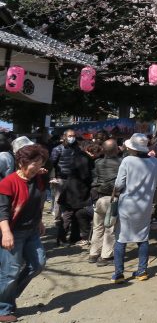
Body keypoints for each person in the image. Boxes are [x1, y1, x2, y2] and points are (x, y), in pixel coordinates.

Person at [0, 144, 49, 322]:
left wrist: (40, 221)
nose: (37, 166)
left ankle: (7, 295)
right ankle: (3, 309)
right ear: (22, 162)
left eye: (41, 162)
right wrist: (6, 233)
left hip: (32, 231)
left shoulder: (38, 179)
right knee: (10, 271)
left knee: (38, 264)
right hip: (13, 232)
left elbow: (37, 202)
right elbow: (2, 211)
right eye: (34, 162)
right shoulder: (8, 183)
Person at [112, 133, 157, 283]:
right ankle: (142, 271)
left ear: (133, 148)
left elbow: (118, 184)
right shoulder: (155, 162)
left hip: (127, 204)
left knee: (121, 238)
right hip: (145, 205)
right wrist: (149, 185)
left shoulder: (127, 161)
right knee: (142, 238)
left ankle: (118, 273)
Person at [89, 140, 121, 266]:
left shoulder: (97, 162)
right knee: (110, 228)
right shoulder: (122, 163)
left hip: (99, 197)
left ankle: (93, 253)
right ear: (116, 149)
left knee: (97, 227)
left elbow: (94, 178)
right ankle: (106, 256)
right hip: (113, 198)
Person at [57, 140, 94, 246]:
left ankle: (74, 237)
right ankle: (62, 238)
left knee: (74, 216)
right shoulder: (83, 158)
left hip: (75, 191)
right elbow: (85, 175)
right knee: (68, 216)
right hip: (74, 192)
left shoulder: (78, 156)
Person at [49, 130, 79, 224]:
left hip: (74, 178)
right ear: (64, 136)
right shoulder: (57, 149)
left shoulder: (77, 149)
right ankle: (57, 218)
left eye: (73, 136)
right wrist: (52, 177)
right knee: (59, 199)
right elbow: (51, 164)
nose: (72, 138)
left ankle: (69, 218)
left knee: (72, 198)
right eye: (70, 136)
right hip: (61, 178)